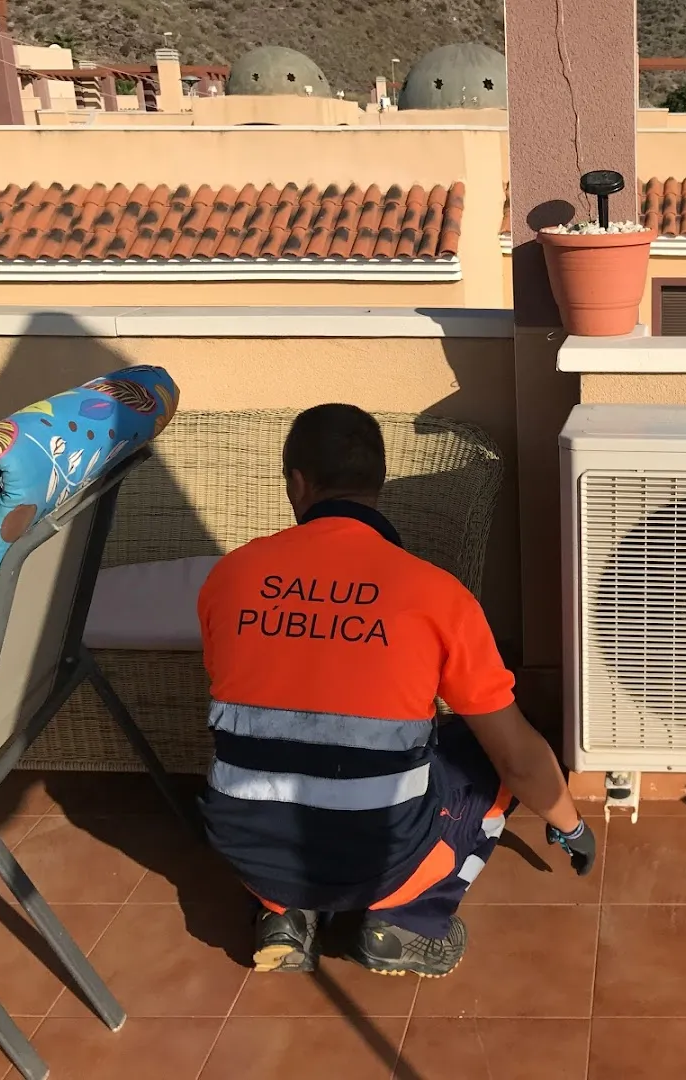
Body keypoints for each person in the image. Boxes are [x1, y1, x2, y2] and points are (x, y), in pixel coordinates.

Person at [196, 403, 595, 977]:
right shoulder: (436, 595)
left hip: (246, 850)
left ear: (297, 483)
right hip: (382, 864)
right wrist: (571, 825)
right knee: (482, 755)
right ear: (378, 484)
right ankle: (406, 922)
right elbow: (518, 760)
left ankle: (283, 913)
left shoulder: (230, 576)